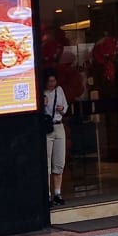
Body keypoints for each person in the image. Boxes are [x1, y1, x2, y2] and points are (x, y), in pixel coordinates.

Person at [44, 71, 69, 206]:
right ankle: (47, 194)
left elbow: (65, 107)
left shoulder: (59, 90)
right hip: (47, 127)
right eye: (49, 81)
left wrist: (62, 108)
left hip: (59, 126)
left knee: (59, 161)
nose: (51, 83)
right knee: (47, 161)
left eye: (53, 81)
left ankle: (57, 193)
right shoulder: (42, 92)